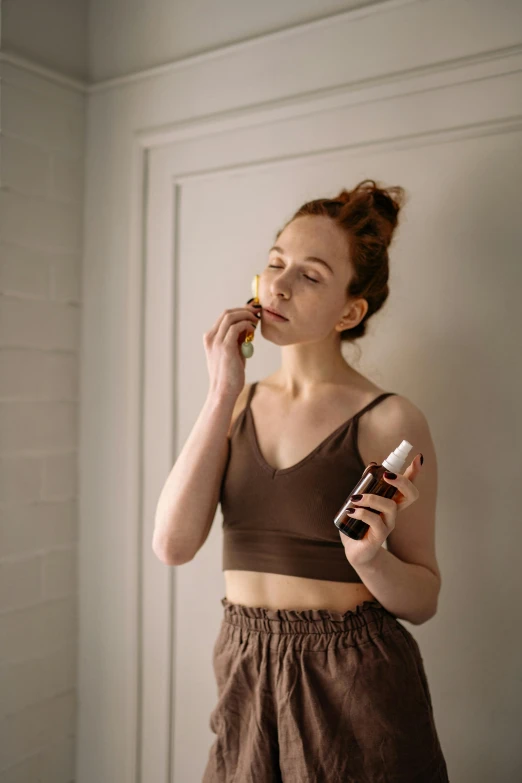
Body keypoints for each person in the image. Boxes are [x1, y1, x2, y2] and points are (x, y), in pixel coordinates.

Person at [153, 179, 449, 782]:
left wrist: (369, 559)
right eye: (274, 263)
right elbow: (173, 545)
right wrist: (220, 391)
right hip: (242, 666)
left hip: (353, 677)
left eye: (310, 275)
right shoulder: (234, 402)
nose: (279, 286)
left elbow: (424, 599)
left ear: (350, 310)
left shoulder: (389, 419)